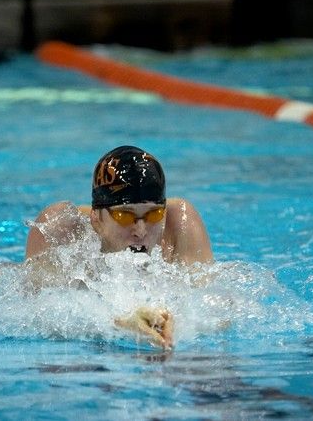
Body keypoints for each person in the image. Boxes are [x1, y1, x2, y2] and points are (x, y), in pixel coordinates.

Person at [25, 145, 213, 350]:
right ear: (96, 218)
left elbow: (213, 308)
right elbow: (35, 315)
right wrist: (121, 321)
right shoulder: (60, 229)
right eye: (125, 215)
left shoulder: (180, 223)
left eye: (153, 214)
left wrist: (178, 321)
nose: (140, 231)